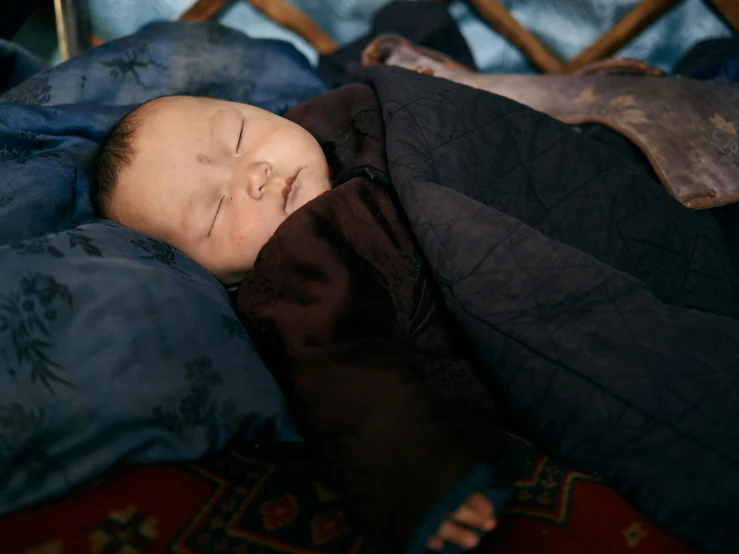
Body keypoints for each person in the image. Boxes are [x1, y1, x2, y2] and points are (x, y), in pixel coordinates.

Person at [91, 94, 511, 553]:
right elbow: (338, 369)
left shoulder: (345, 118)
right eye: (215, 209)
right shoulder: (295, 271)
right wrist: (421, 474)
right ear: (209, 277)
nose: (254, 174)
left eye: (240, 137)